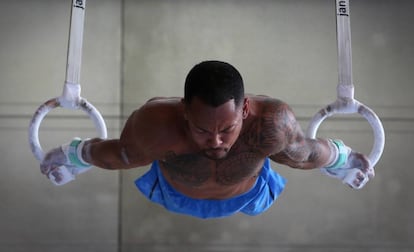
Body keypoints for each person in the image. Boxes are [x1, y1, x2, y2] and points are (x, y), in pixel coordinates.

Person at [40, 60, 374, 219]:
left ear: (245, 110)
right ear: (185, 111)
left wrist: (342, 158)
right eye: (201, 129)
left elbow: (304, 154)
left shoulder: (270, 123)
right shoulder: (155, 124)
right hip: (173, 194)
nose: (215, 141)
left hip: (248, 195)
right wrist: (76, 153)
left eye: (226, 129)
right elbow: (122, 155)